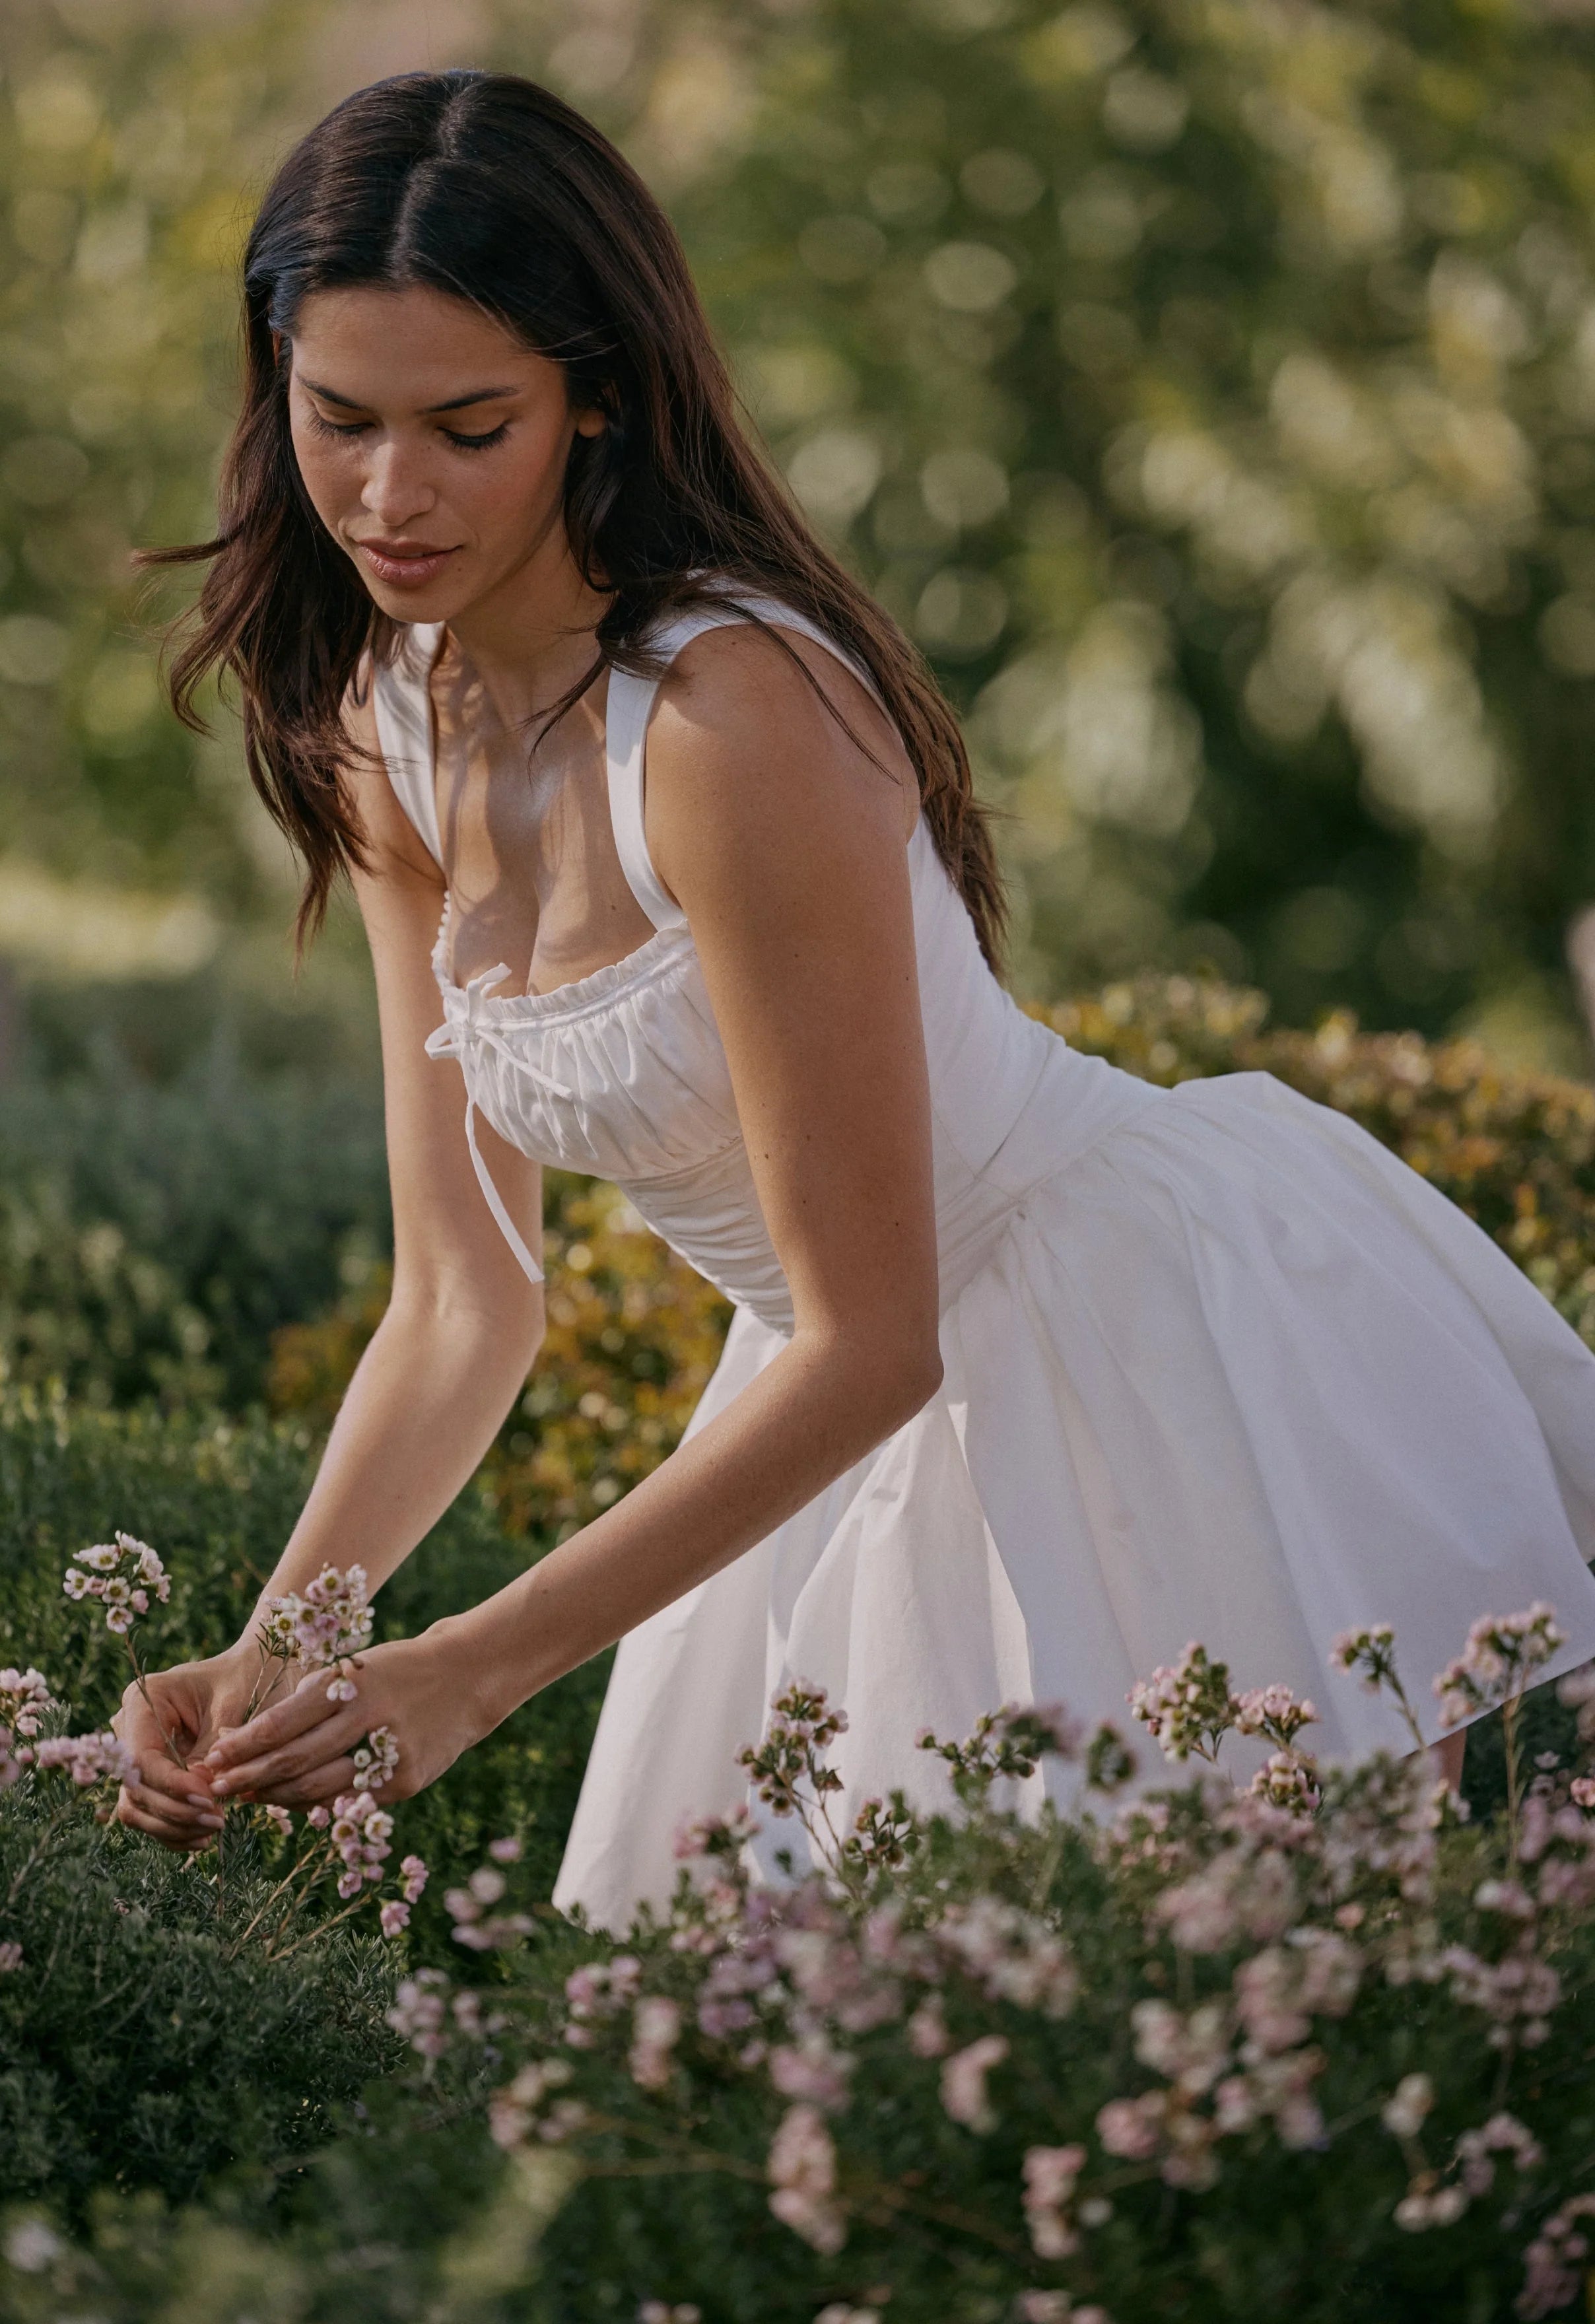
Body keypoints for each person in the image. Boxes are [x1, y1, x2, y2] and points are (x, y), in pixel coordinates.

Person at [116, 69, 1595, 1929]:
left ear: (597, 402)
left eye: (466, 427)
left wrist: (469, 1668)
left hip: (1122, 1349)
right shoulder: (379, 727)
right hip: (813, 1416)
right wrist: (284, 1654)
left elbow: (875, 1333)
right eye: (339, 420)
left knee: (1200, 2037)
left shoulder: (739, 724)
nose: (390, 497)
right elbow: (458, 1299)